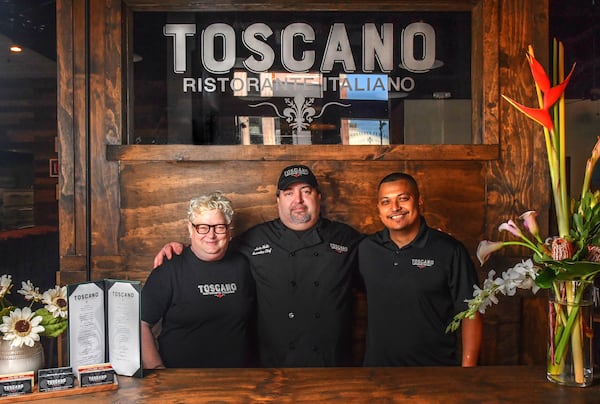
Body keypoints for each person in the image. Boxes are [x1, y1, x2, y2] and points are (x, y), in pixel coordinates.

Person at [153, 165, 364, 367]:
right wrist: (183, 248)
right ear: (278, 200)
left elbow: (382, 264)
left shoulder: (346, 238)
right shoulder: (256, 239)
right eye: (288, 193)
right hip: (272, 369)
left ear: (318, 197)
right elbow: (213, 245)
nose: (298, 200)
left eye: (306, 191)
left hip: (334, 365)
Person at [358, 172, 482, 367]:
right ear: (378, 209)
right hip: (378, 371)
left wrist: (468, 371)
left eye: (403, 199)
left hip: (435, 369)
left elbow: (471, 312)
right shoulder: (365, 249)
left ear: (420, 202)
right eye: (386, 202)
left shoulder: (450, 250)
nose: (395, 208)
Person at [141, 192, 255, 369]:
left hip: (238, 379)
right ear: (190, 228)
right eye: (203, 227)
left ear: (229, 229)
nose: (211, 235)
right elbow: (140, 324)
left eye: (219, 227)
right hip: (181, 380)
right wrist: (157, 372)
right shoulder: (170, 268)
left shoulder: (243, 265)